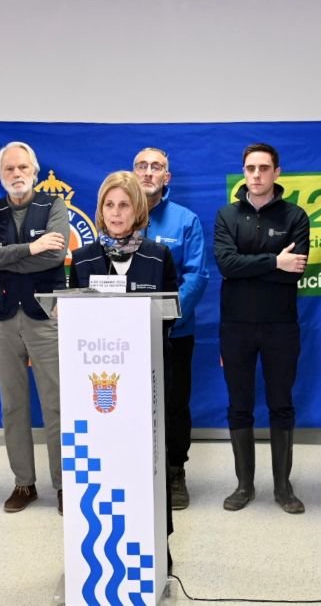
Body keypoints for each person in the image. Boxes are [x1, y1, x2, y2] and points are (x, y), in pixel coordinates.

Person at [70, 170, 178, 567]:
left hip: (146, 377)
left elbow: (168, 315)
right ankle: (98, 547)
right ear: (100, 210)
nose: (116, 213)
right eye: (109, 205)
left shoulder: (158, 257)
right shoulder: (82, 259)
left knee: (147, 460)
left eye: (124, 205)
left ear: (138, 211)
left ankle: (157, 543)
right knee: (106, 459)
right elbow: (74, 317)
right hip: (98, 382)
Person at [0, 142, 67, 514]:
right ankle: (24, 483)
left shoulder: (54, 206)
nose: (16, 174)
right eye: (9, 168)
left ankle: (64, 484)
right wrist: (31, 248)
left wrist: (2, 254)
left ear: (35, 172)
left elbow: (55, 255)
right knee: (12, 406)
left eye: (23, 167)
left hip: (45, 317)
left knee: (56, 404)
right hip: (1, 318)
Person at [213, 143, 309, 514]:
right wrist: (273, 261)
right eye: (250, 168)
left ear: (276, 172)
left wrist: (251, 265)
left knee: (281, 404)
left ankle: (283, 487)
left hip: (280, 325)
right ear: (244, 172)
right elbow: (226, 265)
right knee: (239, 405)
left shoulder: (295, 216)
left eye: (264, 168)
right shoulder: (227, 216)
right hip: (235, 325)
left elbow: (293, 271)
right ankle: (244, 486)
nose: (256, 175)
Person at [133, 147, 209, 510]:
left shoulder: (185, 220)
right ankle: (135, 468)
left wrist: (168, 316)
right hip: (127, 336)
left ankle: (175, 471)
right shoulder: (118, 215)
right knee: (131, 402)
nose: (148, 172)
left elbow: (196, 275)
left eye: (156, 167)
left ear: (167, 177)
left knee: (175, 404)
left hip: (174, 333)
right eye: (142, 166)